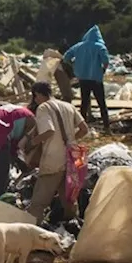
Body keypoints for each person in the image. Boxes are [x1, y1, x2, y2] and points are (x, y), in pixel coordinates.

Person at [25, 81, 88, 223]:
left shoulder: (43, 108)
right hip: (72, 158)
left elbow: (49, 131)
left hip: (53, 160)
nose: (35, 100)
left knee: (38, 203)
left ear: (38, 94)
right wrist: (71, 139)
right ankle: (73, 227)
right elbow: (84, 129)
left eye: (35, 97)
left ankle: (33, 232)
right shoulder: (69, 106)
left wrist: (32, 143)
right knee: (69, 199)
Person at [0, 102, 35, 199]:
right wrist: (23, 164)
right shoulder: (31, 118)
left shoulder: (17, 110)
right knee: (1, 175)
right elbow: (22, 144)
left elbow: (13, 149)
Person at [62, 25, 111, 132]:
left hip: (83, 78)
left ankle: (82, 128)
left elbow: (66, 58)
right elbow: (106, 61)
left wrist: (75, 65)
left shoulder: (78, 46)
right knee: (101, 103)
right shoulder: (100, 46)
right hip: (96, 78)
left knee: (84, 103)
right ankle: (107, 127)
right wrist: (103, 70)